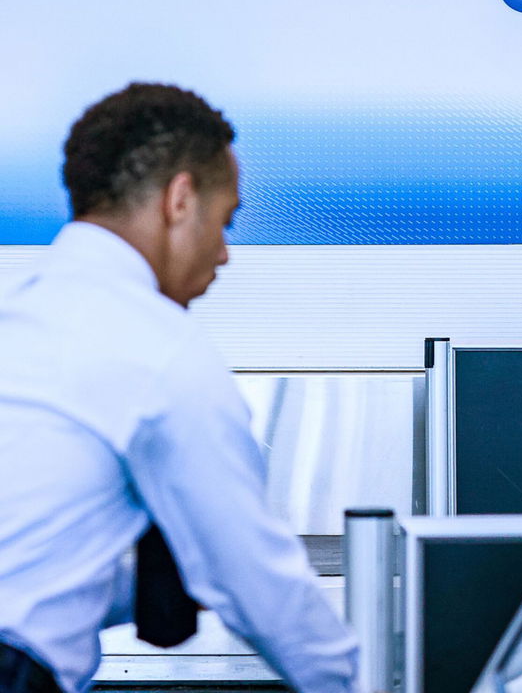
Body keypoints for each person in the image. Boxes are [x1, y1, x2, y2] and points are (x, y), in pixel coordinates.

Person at [0, 83, 359, 692]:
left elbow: (32, 561)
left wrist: (136, 587)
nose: (223, 254)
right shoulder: (158, 349)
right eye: (226, 222)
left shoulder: (25, 323)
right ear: (180, 200)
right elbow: (258, 585)